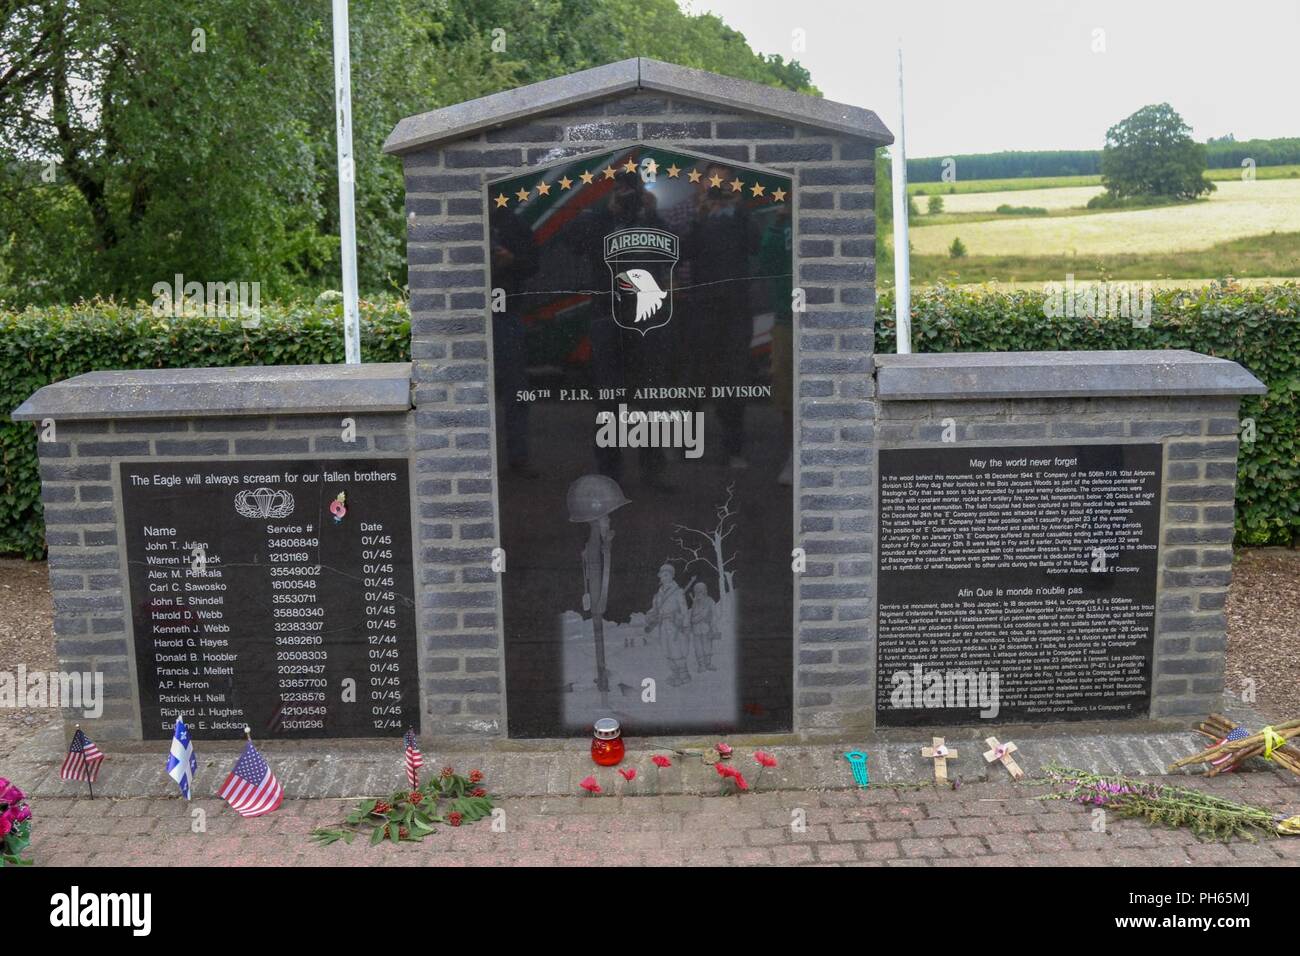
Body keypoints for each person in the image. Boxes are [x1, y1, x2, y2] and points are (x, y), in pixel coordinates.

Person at [644, 563, 690, 686]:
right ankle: (675, 675)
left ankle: (684, 676)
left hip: (675, 626)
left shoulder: (678, 592)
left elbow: (684, 610)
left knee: (677, 651)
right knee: (667, 651)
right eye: (662, 575)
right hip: (663, 626)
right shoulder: (658, 594)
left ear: (672, 576)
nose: (663, 578)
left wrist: (685, 626)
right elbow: (655, 610)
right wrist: (649, 617)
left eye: (666, 575)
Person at [688, 581, 719, 673]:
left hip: (707, 628)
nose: (699, 592)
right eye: (697, 590)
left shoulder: (710, 601)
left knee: (707, 647)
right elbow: (692, 617)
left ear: (705, 591)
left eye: (701, 590)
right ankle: (701, 665)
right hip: (696, 630)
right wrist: (694, 620)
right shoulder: (694, 603)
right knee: (698, 648)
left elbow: (714, 614)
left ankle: (708, 664)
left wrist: (712, 624)